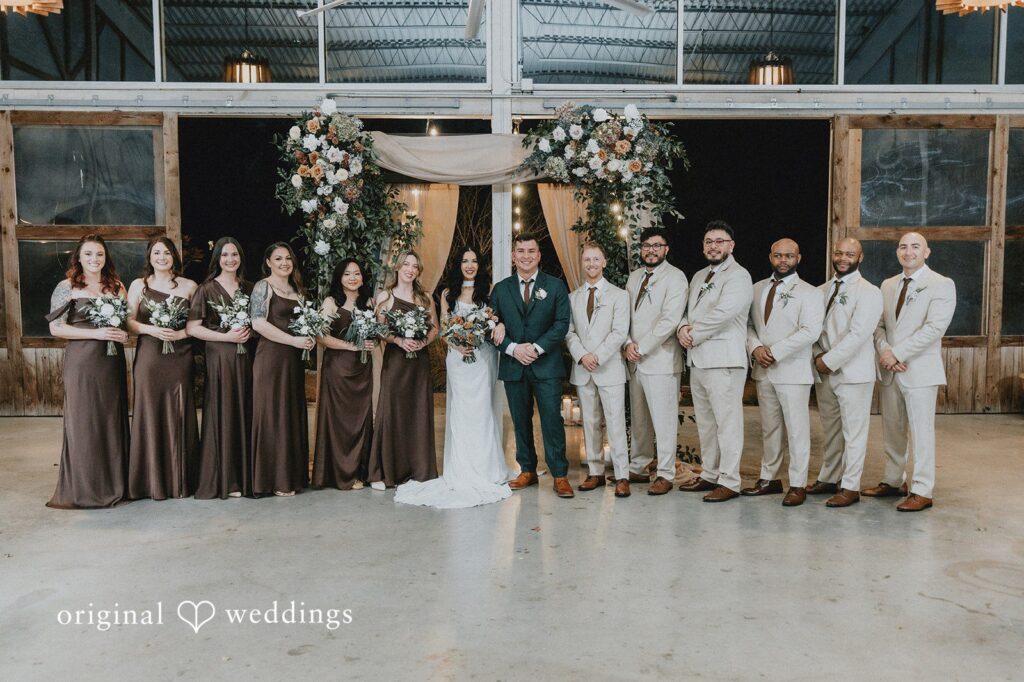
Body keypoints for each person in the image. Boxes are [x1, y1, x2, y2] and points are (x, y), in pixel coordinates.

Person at [395, 245, 513, 508]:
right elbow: (445, 327)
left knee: (483, 411)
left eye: (474, 260)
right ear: (458, 264)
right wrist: (458, 344)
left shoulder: (490, 290)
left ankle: (486, 469)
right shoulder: (448, 292)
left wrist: (499, 326)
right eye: (464, 260)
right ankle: (460, 468)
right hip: (458, 359)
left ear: (480, 264)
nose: (469, 265)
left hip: (483, 358)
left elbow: (497, 320)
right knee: (461, 413)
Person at [868, 232, 956, 512]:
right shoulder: (888, 285)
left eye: (915, 247)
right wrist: (884, 351)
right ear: (897, 252)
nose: (909, 252)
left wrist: (898, 353)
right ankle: (894, 481)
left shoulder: (941, 284)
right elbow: (879, 325)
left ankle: (922, 489)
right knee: (893, 429)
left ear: (926, 252)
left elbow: (934, 328)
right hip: (890, 368)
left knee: (921, 431)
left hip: (919, 370)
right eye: (903, 247)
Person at [45, 235, 130, 509]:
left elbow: (126, 324)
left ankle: (114, 483)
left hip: (111, 362)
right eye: (89, 254)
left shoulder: (116, 287)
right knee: (84, 421)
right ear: (78, 258)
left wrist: (122, 335)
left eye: (100, 255)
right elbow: (56, 329)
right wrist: (97, 333)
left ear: (106, 258)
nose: (95, 260)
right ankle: (85, 488)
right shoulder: (66, 287)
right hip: (82, 362)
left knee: (110, 419)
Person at [489, 232, 573, 498]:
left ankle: (559, 474)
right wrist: (514, 349)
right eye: (521, 251)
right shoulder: (500, 289)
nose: (526, 256)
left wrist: (535, 349)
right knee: (520, 421)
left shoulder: (556, 286)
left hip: (546, 365)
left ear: (539, 255)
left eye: (531, 251)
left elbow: (561, 325)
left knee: (552, 421)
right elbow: (490, 326)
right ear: (514, 256)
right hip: (514, 367)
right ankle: (527, 470)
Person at [743, 238, 824, 507]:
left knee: (797, 430)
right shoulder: (756, 289)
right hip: (763, 370)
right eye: (778, 255)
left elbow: (810, 331)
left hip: (792, 370)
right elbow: (748, 325)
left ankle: (798, 483)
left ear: (798, 258)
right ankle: (769, 478)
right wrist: (755, 348)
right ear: (770, 257)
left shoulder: (810, 293)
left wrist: (775, 351)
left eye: (789, 256)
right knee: (770, 428)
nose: (783, 261)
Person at [677, 220, 753, 502]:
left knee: (727, 422)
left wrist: (692, 334)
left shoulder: (739, 276)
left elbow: (724, 313)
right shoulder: (698, 276)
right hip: (698, 361)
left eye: (719, 241)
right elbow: (687, 311)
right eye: (709, 241)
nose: (713, 246)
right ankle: (710, 473)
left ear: (731, 246)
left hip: (724, 360)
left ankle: (731, 480)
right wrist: (682, 328)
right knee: (706, 423)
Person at [807, 237, 883, 508]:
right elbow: (812, 329)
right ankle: (828, 476)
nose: (842, 258)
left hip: (853, 373)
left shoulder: (869, 291)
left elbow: (860, 334)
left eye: (849, 254)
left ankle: (850, 486)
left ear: (860, 258)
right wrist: (817, 355)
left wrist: (831, 360)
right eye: (838, 253)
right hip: (824, 370)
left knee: (854, 431)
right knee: (830, 429)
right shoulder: (821, 290)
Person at [126, 237, 199, 500]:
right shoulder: (138, 286)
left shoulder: (190, 286)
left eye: (166, 252)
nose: (162, 257)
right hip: (150, 355)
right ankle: (149, 481)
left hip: (179, 355)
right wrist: (151, 329)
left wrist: (180, 335)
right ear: (149, 257)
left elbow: (198, 323)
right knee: (149, 410)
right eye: (156, 252)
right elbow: (129, 321)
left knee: (180, 410)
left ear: (174, 256)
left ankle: (181, 480)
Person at [186, 237, 254, 499]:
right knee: (223, 411)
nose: (230, 260)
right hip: (221, 356)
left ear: (240, 258)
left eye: (234, 254)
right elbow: (193, 328)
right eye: (224, 255)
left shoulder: (250, 287)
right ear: (217, 259)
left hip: (247, 357)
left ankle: (246, 476)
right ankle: (226, 479)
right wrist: (227, 337)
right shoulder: (206, 289)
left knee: (246, 411)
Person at [622, 227, 688, 495]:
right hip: (634, 360)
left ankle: (665, 472)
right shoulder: (634, 277)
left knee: (663, 420)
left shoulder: (676, 278)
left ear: (666, 249)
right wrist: (627, 344)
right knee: (639, 419)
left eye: (657, 245)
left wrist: (642, 347)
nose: (651, 250)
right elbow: (624, 315)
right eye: (647, 245)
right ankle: (638, 466)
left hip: (660, 359)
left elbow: (670, 320)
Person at [366, 250, 439, 489]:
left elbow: (434, 328)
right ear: (397, 267)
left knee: (417, 412)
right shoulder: (385, 296)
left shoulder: (425, 297)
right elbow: (379, 329)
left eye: (415, 266)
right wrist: (398, 341)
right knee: (392, 411)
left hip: (419, 363)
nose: (410, 269)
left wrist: (422, 342)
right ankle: (384, 471)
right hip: (396, 361)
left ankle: (418, 468)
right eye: (406, 264)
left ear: (418, 271)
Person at [249, 242, 315, 497]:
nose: (285, 263)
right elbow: (258, 324)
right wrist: (293, 341)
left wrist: (307, 337)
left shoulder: (297, 290)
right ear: (268, 262)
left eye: (288, 258)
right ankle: (272, 479)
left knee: (290, 413)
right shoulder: (262, 287)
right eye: (278, 259)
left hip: (293, 360)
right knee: (272, 414)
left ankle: (291, 476)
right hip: (271, 359)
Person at [566, 243, 632, 497]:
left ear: (604, 262)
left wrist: (598, 356)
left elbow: (619, 332)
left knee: (615, 422)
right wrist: (583, 356)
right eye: (586, 260)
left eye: (596, 259)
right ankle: (595, 472)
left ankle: (622, 474)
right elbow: (569, 332)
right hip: (584, 369)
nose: (591, 264)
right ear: (582, 264)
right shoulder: (573, 297)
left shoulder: (618, 295)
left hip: (609, 368)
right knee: (590, 423)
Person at [311, 259, 375, 491]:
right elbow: (319, 336)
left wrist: (370, 341)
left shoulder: (368, 302)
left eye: (357, 273)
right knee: (339, 421)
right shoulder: (331, 302)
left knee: (360, 419)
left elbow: (375, 334)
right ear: (339, 277)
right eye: (347, 274)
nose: (352, 278)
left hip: (362, 369)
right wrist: (350, 347)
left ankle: (360, 470)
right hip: (338, 369)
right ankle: (339, 474)